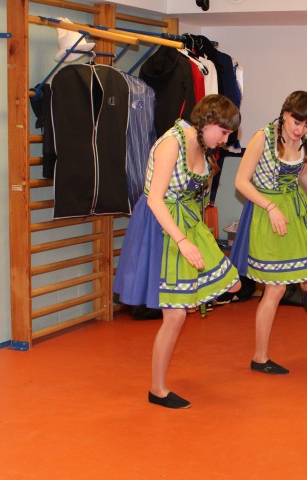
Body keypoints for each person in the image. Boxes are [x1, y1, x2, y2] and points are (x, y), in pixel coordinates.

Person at [113, 95, 242, 409]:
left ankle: (191, 293)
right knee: (175, 314)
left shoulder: (202, 143)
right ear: (207, 122)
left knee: (233, 283)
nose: (225, 141)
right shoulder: (172, 143)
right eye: (223, 132)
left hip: (188, 221)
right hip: (162, 226)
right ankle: (157, 389)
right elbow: (155, 200)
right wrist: (183, 241)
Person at [231, 90, 307, 375]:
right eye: (296, 123)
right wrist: (270, 207)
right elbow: (241, 181)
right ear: (285, 114)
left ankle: (302, 283)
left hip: (296, 210)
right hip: (269, 212)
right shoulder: (263, 138)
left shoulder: (306, 141)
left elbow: (304, 173)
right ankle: (259, 358)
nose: (300, 130)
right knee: (274, 290)